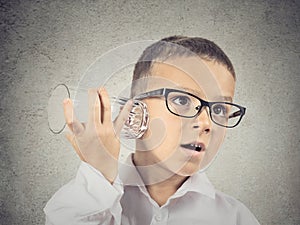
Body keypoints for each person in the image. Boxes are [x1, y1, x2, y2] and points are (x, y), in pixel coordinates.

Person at [44, 36, 260, 225]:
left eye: (220, 109)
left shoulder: (236, 218)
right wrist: (99, 173)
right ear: (134, 105)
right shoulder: (82, 203)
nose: (206, 123)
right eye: (182, 100)